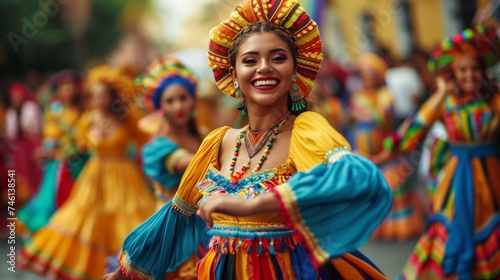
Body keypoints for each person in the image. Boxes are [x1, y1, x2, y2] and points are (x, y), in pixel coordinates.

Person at [104, 0, 392, 279]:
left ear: (295, 71)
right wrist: (125, 273)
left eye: (278, 58)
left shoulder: (305, 129)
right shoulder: (218, 142)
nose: (264, 67)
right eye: (250, 60)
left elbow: (358, 178)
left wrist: (252, 205)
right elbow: (176, 217)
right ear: (233, 74)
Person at [377, 26, 500, 279]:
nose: (469, 75)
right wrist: (442, 91)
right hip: (456, 179)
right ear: (452, 72)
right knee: (453, 232)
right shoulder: (446, 101)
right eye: (462, 69)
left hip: (493, 178)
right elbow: (415, 127)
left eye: (475, 68)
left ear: (483, 70)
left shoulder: (493, 99)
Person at [19, 64, 157, 279]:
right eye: (95, 95)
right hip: (94, 177)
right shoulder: (87, 119)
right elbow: (75, 147)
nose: (99, 100)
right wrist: (52, 154)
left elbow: (146, 143)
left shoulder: (126, 117)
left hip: (125, 178)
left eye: (103, 95)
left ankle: (125, 270)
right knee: (85, 220)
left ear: (112, 96)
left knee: (129, 222)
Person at [105, 58, 206, 279]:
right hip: (168, 226)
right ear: (160, 106)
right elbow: (194, 164)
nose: (178, 106)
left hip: (206, 223)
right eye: (170, 101)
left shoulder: (205, 135)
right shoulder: (157, 147)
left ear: (193, 100)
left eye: (183, 98)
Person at [16, 71, 86, 239]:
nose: (67, 90)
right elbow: (49, 133)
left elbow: (82, 138)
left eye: (70, 86)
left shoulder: (81, 110)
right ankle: (53, 234)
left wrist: (66, 147)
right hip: (55, 162)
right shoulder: (54, 109)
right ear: (58, 90)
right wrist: (49, 149)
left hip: (76, 161)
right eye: (63, 87)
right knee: (52, 196)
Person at [4, 82, 43, 206]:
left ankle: (36, 198)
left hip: (31, 145)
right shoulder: (11, 112)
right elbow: (11, 134)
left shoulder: (31, 107)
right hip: (19, 149)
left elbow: (35, 128)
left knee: (35, 173)